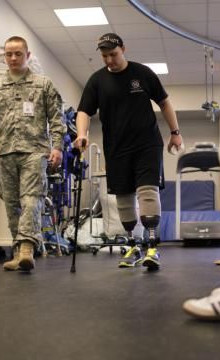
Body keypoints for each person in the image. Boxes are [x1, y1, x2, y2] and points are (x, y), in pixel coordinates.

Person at [74, 33, 182, 271]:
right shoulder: (97, 81)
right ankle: (133, 244)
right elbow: (84, 111)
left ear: (123, 49)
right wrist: (81, 134)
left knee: (147, 192)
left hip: (147, 144)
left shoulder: (142, 74)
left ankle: (152, 246)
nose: (110, 60)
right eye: (105, 56)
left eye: (113, 54)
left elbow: (164, 102)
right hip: (116, 148)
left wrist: (175, 132)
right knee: (123, 199)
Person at [0, 36, 66, 272]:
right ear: (5, 57)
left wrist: (57, 147)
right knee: (11, 202)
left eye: (18, 53)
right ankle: (18, 252)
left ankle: (27, 247)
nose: (13, 58)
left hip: (34, 151)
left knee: (31, 198)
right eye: (9, 54)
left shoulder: (43, 84)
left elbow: (57, 119)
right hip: (5, 152)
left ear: (28, 55)